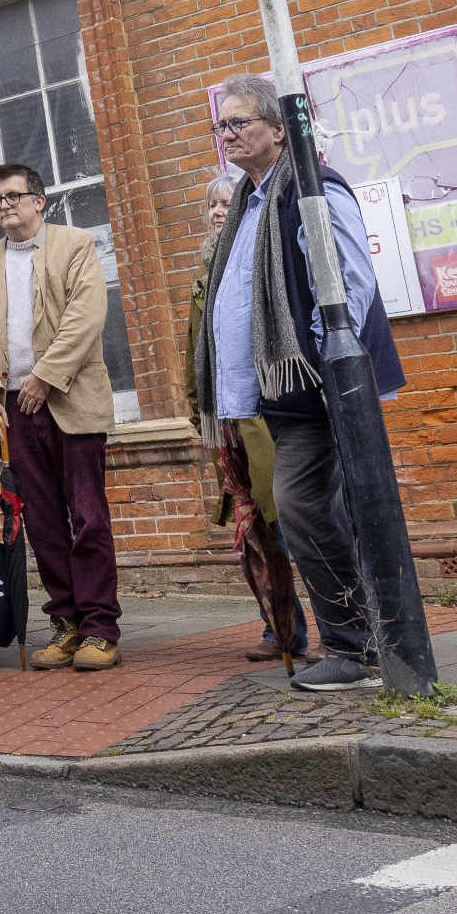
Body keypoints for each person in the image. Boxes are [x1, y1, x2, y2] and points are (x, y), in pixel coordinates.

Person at [194, 72, 405, 693]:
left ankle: (355, 643)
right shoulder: (248, 202)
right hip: (280, 395)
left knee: (304, 505)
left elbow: (346, 288)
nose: (226, 135)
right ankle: (367, 635)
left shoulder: (313, 192)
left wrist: (321, 368)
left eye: (239, 123)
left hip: (318, 390)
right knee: (316, 509)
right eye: (221, 125)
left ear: (279, 131)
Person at [0, 162, 121, 675]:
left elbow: (86, 314)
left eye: (14, 196)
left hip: (68, 401)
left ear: (39, 201)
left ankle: (100, 627)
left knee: (87, 516)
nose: (4, 205)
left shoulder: (73, 245)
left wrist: (45, 376)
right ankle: (68, 623)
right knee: (43, 522)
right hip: (12, 410)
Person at [184, 171, 309, 666]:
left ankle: (339, 629)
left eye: (225, 203)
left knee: (290, 524)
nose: (218, 211)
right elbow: (194, 352)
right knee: (254, 534)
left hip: (266, 421)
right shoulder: (204, 276)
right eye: (212, 205)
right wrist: (200, 412)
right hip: (226, 424)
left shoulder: (256, 264)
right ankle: (281, 630)